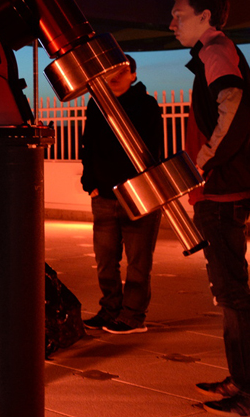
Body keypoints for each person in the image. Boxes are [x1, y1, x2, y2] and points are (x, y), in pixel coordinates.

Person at [170, 0, 250, 416]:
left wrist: (203, 161)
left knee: (234, 293)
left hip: (224, 190)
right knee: (228, 292)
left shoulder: (216, 51)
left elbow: (234, 107)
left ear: (206, 17)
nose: (172, 22)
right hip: (223, 189)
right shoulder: (213, 52)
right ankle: (243, 379)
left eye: (180, 14)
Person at [79, 55, 164, 335]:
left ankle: (133, 316)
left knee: (138, 262)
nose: (115, 76)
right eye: (110, 71)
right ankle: (110, 309)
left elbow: (153, 149)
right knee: (105, 261)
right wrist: (89, 183)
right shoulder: (96, 105)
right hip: (103, 195)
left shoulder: (146, 106)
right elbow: (87, 145)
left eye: (122, 71)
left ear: (133, 76)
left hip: (139, 195)